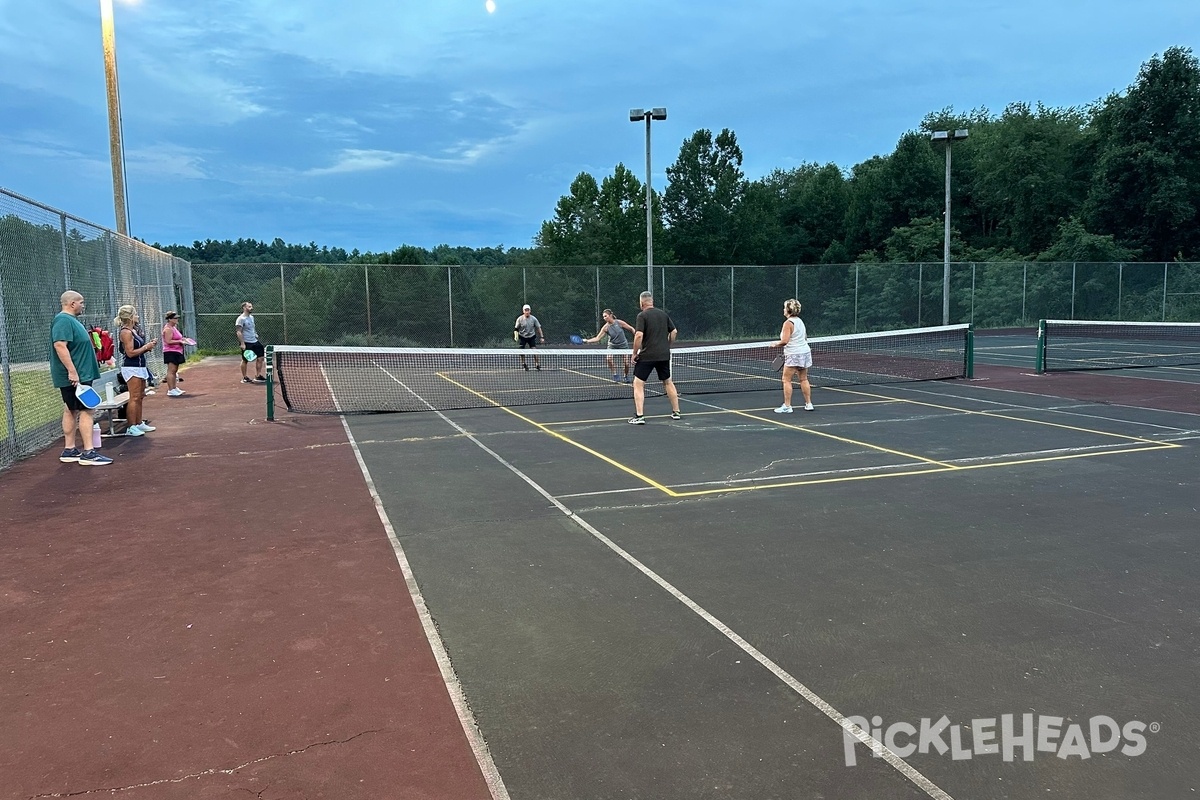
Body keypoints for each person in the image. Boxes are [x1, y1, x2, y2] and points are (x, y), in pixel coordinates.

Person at [50, 291, 112, 465]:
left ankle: (69, 449)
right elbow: (60, 345)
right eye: (81, 302)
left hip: (80, 374)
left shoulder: (71, 321)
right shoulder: (63, 320)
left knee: (71, 409)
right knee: (87, 410)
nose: (83, 306)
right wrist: (72, 371)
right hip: (76, 376)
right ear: (71, 304)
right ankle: (88, 452)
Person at [628, 291, 681, 424]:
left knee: (638, 383)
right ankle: (676, 412)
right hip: (663, 355)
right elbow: (674, 331)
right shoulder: (663, 314)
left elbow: (638, 335)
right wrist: (668, 344)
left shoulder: (642, 315)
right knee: (668, 381)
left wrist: (634, 353)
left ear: (641, 303)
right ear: (652, 302)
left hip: (647, 355)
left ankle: (639, 416)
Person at [115, 305, 158, 436]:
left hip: (140, 366)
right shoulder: (125, 332)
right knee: (134, 397)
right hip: (131, 367)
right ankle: (131, 427)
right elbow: (130, 353)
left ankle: (139, 423)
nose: (137, 316)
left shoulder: (133, 330)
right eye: (135, 314)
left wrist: (149, 345)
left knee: (140, 396)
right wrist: (146, 347)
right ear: (130, 317)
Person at [773, 298, 814, 413]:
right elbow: (804, 338)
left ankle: (787, 406)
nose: (783, 310)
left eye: (785, 308)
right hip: (805, 352)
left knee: (786, 380)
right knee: (803, 379)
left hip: (794, 354)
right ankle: (809, 404)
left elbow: (785, 341)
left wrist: (774, 345)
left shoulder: (788, 323)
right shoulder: (800, 321)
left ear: (788, 310)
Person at [584, 308, 636, 383]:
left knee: (626, 363)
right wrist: (587, 341)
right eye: (603, 317)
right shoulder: (605, 327)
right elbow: (597, 338)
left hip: (623, 345)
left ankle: (625, 376)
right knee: (609, 359)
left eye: (605, 316)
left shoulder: (619, 322)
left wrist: (636, 334)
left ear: (610, 315)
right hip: (612, 345)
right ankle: (615, 375)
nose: (604, 318)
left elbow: (631, 328)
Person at [236, 301, 266, 383]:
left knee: (260, 357)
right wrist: (242, 343)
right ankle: (245, 377)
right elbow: (238, 332)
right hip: (246, 342)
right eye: (249, 306)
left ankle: (258, 376)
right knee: (245, 360)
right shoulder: (240, 319)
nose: (251, 308)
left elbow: (252, 328)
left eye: (251, 306)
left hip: (254, 341)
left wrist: (255, 333)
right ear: (244, 308)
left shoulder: (251, 317)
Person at [161, 311, 186, 396]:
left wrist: (184, 340)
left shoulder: (173, 327)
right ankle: (171, 389)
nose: (177, 319)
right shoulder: (168, 329)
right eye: (175, 318)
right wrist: (180, 341)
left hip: (177, 351)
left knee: (174, 371)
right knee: (171, 371)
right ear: (170, 319)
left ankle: (174, 388)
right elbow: (168, 341)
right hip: (170, 352)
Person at [513, 304, 545, 371]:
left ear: (530, 311)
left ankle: (537, 364)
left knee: (534, 351)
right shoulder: (519, 319)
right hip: (522, 336)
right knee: (521, 351)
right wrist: (516, 336)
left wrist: (542, 337)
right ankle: (524, 363)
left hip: (531, 337)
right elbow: (516, 329)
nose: (527, 312)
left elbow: (539, 328)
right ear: (523, 311)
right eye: (525, 310)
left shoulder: (533, 319)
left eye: (528, 310)